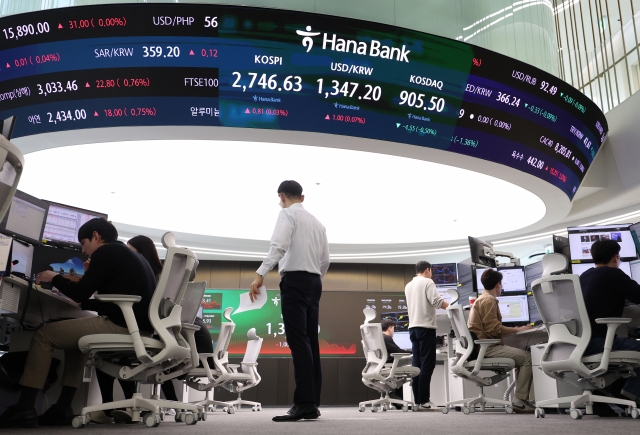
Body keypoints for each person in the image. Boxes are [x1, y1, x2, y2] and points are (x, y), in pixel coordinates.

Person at [0, 218, 156, 428]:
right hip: (137, 327)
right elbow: (105, 298)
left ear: (96, 236)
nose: (83, 250)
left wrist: (54, 277)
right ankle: (63, 408)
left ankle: (25, 407)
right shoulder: (130, 255)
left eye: (84, 243)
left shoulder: (106, 252)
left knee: (43, 335)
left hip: (122, 326)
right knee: (76, 340)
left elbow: (80, 293)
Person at [93, 235, 214, 424]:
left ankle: (109, 407)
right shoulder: (162, 275)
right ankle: (127, 405)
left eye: (129, 250)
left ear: (140, 253)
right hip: (166, 335)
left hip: (150, 331)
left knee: (104, 352)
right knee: (120, 353)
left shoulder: (142, 276)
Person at [249, 180, 329, 422]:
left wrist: (260, 274)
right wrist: (313, 278)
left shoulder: (286, 215)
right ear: (302, 198)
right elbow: (325, 261)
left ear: (281, 196)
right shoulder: (318, 224)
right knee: (310, 340)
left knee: (298, 340)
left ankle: (304, 402)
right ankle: (313, 402)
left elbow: (278, 246)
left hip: (294, 281)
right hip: (315, 282)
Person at [580, 239, 640, 413]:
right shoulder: (614, 274)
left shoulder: (584, 276)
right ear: (615, 257)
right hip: (599, 342)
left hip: (580, 342)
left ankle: (605, 397)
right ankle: (629, 396)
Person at [467, 268, 533, 412]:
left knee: (521, 356)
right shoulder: (489, 300)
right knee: (527, 358)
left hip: (481, 348)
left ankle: (520, 398)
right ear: (498, 284)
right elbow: (493, 330)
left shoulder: (481, 299)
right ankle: (519, 401)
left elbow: (491, 328)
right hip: (488, 348)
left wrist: (513, 329)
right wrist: (518, 330)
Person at [405, 261, 449, 411]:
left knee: (416, 365)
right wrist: (452, 307)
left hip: (413, 328)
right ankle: (424, 400)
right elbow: (436, 302)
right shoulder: (428, 282)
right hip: (426, 327)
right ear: (428, 270)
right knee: (427, 364)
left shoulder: (408, 285)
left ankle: (417, 401)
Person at [381, 319, 409, 406]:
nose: (394, 331)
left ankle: (396, 400)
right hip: (389, 364)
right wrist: (412, 353)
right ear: (390, 328)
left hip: (381, 365)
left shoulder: (380, 337)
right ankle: (397, 401)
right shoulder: (386, 338)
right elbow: (397, 351)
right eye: (393, 329)